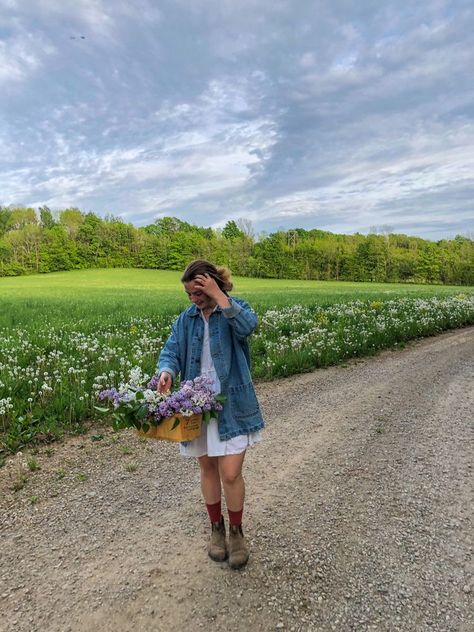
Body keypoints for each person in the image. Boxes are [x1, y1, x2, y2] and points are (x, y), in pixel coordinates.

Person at [157, 259, 264, 569]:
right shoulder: (185, 320)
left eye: (199, 293)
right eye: (190, 294)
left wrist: (220, 297)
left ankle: (237, 532)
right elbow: (171, 351)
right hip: (197, 408)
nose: (194, 299)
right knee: (207, 470)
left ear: (213, 285)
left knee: (230, 473)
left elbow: (248, 327)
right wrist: (166, 371)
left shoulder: (234, 309)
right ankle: (216, 529)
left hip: (232, 403)